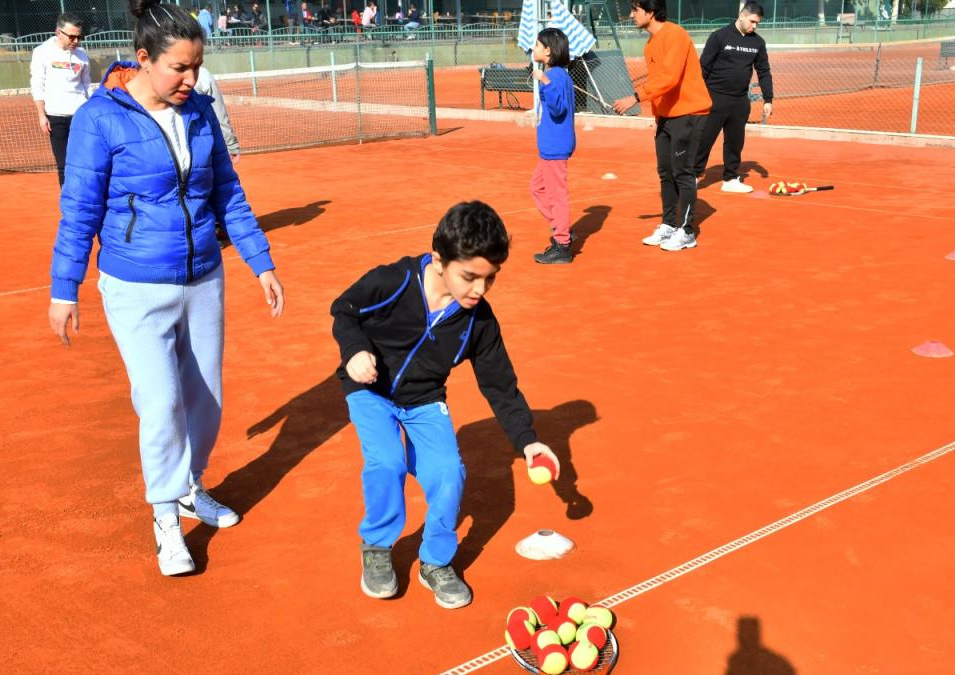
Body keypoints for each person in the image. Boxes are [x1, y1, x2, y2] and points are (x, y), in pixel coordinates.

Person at [47, 0, 286, 577]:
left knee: (206, 401)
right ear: (143, 60)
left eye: (197, 66)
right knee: (161, 403)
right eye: (179, 67)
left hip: (204, 275)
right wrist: (65, 286)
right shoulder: (100, 119)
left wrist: (260, 259)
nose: (190, 79)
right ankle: (166, 521)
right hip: (133, 284)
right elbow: (79, 207)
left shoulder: (200, 111)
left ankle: (189, 485)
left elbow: (227, 190)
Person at [330, 201, 560, 609]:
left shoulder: (479, 320)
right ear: (439, 260)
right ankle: (378, 546)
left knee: (449, 473)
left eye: (490, 280)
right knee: (387, 461)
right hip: (370, 391)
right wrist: (355, 351)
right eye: (469, 277)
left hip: (424, 399)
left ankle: (435, 562)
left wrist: (527, 441)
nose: (479, 290)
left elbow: (500, 386)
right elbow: (344, 310)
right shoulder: (395, 281)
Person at [613, 0, 711, 252]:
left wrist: (634, 98)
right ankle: (669, 224)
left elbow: (669, 78)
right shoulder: (649, 45)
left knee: (683, 173)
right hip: (666, 118)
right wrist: (659, 116)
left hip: (689, 113)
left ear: (651, 12)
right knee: (666, 173)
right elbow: (660, 84)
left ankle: (687, 231)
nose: (631, 14)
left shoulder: (675, 35)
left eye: (636, 10)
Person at [693, 2, 773, 193]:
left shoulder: (757, 43)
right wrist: (696, 95)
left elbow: (763, 71)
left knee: (735, 141)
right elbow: (702, 67)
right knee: (705, 138)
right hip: (715, 98)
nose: (755, 26)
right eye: (753, 21)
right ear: (742, 16)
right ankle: (693, 175)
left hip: (739, 100)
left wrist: (768, 99)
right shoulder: (719, 36)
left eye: (757, 23)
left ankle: (730, 178)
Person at [529, 29, 577, 266]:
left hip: (555, 146)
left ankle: (562, 244)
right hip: (550, 146)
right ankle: (562, 227)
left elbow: (558, 109)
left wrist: (545, 82)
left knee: (556, 195)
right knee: (537, 187)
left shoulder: (555, 75)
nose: (534, 48)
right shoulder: (556, 73)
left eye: (537, 45)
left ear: (548, 50)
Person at [30, 13, 91, 186]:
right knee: (64, 164)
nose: (76, 41)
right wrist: (42, 115)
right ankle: (69, 205)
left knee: (85, 162)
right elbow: (37, 84)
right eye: (72, 37)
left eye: (79, 37)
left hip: (81, 116)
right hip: (56, 117)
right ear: (58, 32)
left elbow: (87, 85)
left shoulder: (82, 55)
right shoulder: (42, 52)